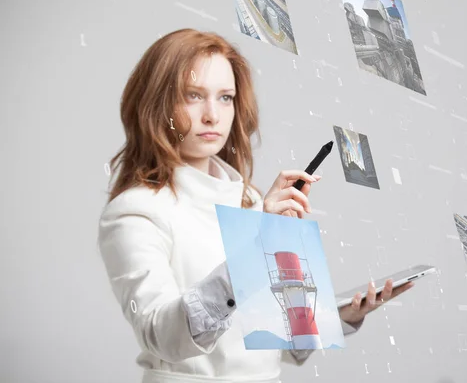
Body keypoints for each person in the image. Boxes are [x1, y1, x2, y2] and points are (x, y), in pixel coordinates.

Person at [97, 28, 414, 383]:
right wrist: (256, 247)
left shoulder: (251, 201)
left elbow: (281, 344)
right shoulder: (134, 212)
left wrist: (348, 314)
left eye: (225, 97)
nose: (212, 116)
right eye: (193, 95)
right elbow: (162, 335)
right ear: (157, 104)